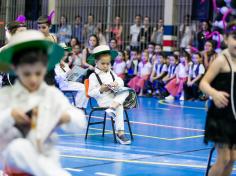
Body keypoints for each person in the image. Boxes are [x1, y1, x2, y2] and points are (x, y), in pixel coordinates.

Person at [0, 30, 87, 176]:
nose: (33, 80)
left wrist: (65, 117)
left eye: (38, 73)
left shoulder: (51, 94)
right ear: (16, 70)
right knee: (18, 146)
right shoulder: (7, 95)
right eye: (27, 74)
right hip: (15, 164)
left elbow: (80, 122)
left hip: (46, 160)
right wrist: (11, 114)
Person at [200, 21, 236, 176]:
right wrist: (214, 94)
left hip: (234, 116)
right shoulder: (221, 60)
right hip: (220, 116)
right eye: (234, 37)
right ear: (226, 38)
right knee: (224, 158)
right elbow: (203, 83)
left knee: (232, 158)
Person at [88, 45, 131, 145]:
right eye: (103, 64)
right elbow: (90, 92)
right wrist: (100, 89)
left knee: (126, 91)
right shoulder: (93, 76)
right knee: (119, 106)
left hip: (114, 97)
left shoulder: (111, 72)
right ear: (96, 62)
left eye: (108, 64)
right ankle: (120, 133)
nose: (106, 66)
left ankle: (112, 108)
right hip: (103, 99)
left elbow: (120, 81)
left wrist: (116, 83)